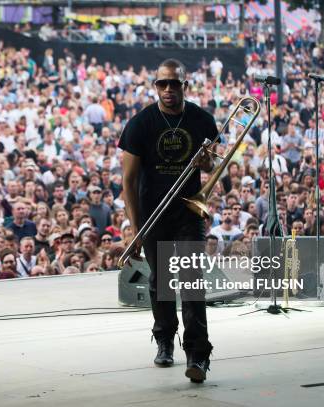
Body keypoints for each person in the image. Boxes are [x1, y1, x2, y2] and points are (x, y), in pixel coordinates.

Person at [119, 59, 216, 383]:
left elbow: (215, 169)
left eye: (175, 83)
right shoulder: (140, 124)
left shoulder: (202, 120)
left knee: (191, 284)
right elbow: (128, 182)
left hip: (189, 213)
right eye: (163, 84)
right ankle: (164, 340)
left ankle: (198, 356)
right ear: (155, 86)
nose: (169, 89)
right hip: (154, 214)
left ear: (185, 85)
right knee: (161, 282)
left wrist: (208, 164)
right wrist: (136, 228)